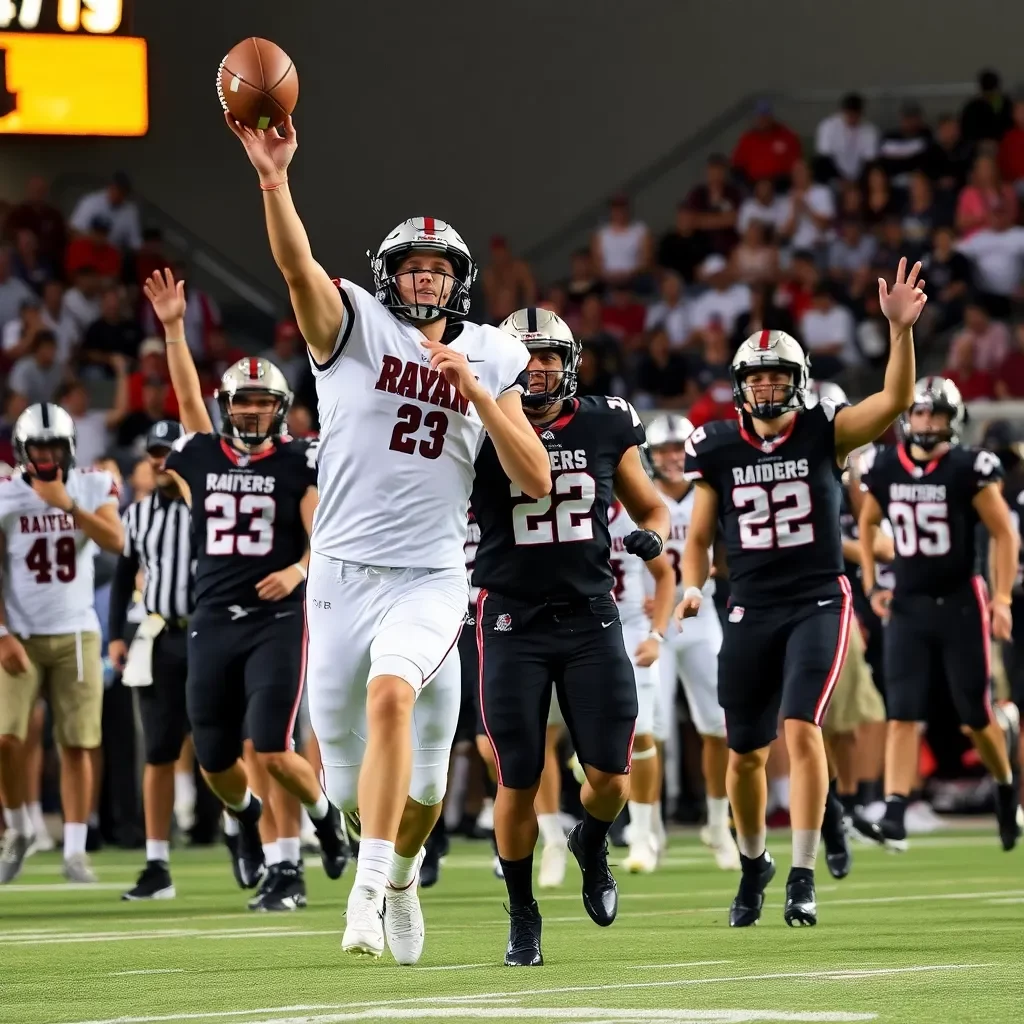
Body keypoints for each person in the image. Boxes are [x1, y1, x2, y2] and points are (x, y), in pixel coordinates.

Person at [225, 113, 551, 963]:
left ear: (461, 284)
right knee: (347, 785)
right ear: (386, 279)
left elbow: (535, 477)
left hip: (432, 573)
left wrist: (477, 394)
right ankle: (391, 866)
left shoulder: (490, 353)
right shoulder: (354, 327)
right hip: (338, 574)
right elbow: (296, 265)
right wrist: (273, 179)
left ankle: (373, 892)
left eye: (440, 271)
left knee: (404, 721)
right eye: (411, 269)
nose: (426, 282)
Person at [677, 258, 928, 927]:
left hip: (818, 596)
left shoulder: (826, 429)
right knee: (746, 754)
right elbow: (700, 535)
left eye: (777, 377)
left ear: (799, 384)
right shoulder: (717, 445)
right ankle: (755, 862)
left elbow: (895, 401)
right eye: (756, 377)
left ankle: (802, 871)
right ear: (739, 385)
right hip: (749, 606)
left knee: (802, 726)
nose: (765, 387)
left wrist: (899, 334)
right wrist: (692, 585)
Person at [142, 269, 349, 912]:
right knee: (213, 759)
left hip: (276, 617)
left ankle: (323, 818)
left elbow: (326, 531)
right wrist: (174, 330)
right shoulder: (200, 455)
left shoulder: (298, 460)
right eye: (242, 402)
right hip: (211, 617)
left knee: (272, 743)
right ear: (227, 407)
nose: (252, 411)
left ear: (281, 408)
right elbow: (185, 405)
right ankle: (245, 818)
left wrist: (300, 569)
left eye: (263, 402)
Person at [472, 307, 670, 966]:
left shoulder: (606, 419)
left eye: (550, 356)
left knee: (611, 776)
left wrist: (654, 537)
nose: (538, 369)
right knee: (518, 776)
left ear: (571, 360)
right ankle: (523, 915)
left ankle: (592, 841)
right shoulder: (474, 422)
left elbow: (652, 506)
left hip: (590, 614)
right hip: (510, 618)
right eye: (526, 358)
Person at [854, 376, 1023, 852]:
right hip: (908, 602)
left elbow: (1006, 535)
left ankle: (1005, 785)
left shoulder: (969, 467)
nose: (928, 423)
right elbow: (867, 524)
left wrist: (1003, 598)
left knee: (975, 715)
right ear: (909, 417)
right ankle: (894, 813)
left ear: (953, 421)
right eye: (922, 413)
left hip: (961, 604)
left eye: (937, 415)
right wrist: (871, 584)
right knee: (903, 712)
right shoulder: (884, 466)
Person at [0, 404, 124, 884]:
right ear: (22, 451)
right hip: (22, 637)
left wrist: (67, 504)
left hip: (76, 631)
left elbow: (117, 539)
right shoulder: (7, 495)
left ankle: (74, 850)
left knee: (77, 744)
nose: (47, 455)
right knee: (7, 739)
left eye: (54, 446)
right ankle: (19, 828)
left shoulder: (91, 484)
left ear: (70, 449)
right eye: (38, 447)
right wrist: (3, 633)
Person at [644, 413, 739, 872]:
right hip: (654, 621)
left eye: (679, 447)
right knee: (653, 728)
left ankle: (718, 823)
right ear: (651, 455)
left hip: (700, 616)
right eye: (664, 450)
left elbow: (722, 547)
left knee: (718, 724)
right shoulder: (639, 496)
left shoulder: (707, 491)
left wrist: (711, 574)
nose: (674, 457)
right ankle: (652, 826)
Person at [109, 420, 195, 901]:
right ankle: (156, 862)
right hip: (159, 635)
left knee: (227, 749)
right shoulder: (138, 514)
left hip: (209, 634)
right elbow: (125, 574)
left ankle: (257, 839)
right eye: (156, 453)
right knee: (159, 750)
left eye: (171, 452)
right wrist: (116, 636)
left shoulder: (210, 507)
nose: (162, 461)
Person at [609, 493, 675, 874]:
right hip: (580, 631)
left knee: (644, 733)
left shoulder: (630, 516)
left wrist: (656, 634)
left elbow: (665, 575)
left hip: (631, 627)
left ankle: (644, 832)